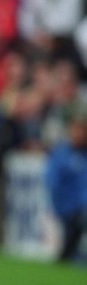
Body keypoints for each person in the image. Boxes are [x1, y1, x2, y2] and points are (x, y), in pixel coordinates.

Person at [45, 103, 87, 265]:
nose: (81, 133)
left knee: (71, 248)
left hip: (82, 210)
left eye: (83, 128)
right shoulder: (62, 154)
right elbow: (53, 184)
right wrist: (63, 208)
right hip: (69, 211)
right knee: (70, 244)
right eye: (77, 128)